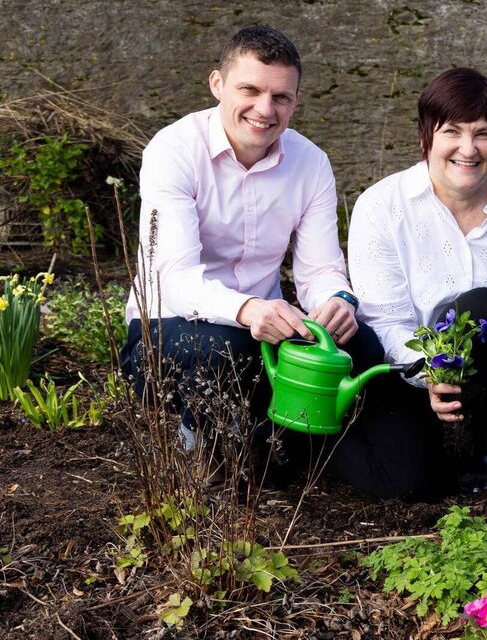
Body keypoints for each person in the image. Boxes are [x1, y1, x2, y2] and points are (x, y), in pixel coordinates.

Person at [120, 26, 381, 479]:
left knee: (362, 346)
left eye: (281, 97)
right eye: (250, 90)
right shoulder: (174, 150)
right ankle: (196, 450)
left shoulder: (311, 162)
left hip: (263, 332)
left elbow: (320, 268)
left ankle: (334, 456)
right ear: (217, 84)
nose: (265, 109)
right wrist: (247, 309)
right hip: (164, 333)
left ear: (296, 101)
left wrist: (337, 300)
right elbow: (174, 278)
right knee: (230, 349)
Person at [332, 68, 487, 499]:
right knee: (411, 484)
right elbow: (384, 322)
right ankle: (319, 440)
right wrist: (430, 373)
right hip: (404, 371)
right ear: (426, 137)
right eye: (452, 132)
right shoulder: (382, 206)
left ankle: (471, 447)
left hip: (484, 377)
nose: (468, 149)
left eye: (482, 134)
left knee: (484, 307)